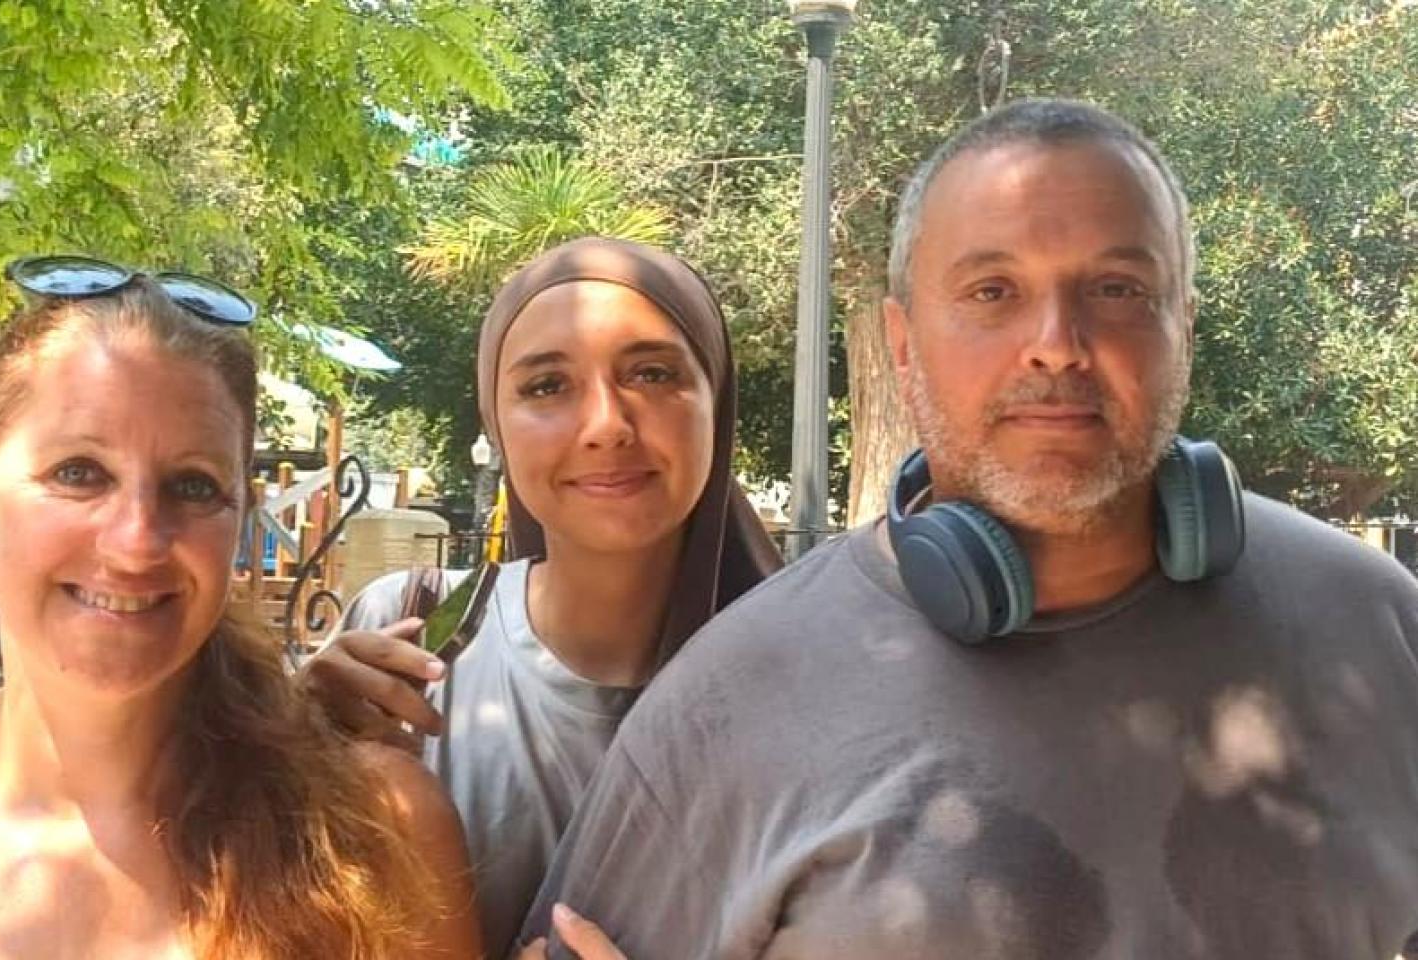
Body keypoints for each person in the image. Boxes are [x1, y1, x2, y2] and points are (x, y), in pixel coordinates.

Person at [523, 99, 1418, 959]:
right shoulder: (730, 699)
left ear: (1182, 324)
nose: (1057, 343)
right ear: (902, 344)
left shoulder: (1377, 625)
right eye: (993, 291)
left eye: (1117, 288)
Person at [0, 260, 479, 960]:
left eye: (193, 486)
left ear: (240, 519)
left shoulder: (372, 839)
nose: (137, 540)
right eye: (79, 473)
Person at [303, 237, 781, 954]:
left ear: (717, 400)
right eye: (547, 386)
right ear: (495, 425)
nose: (606, 425)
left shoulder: (803, 689)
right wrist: (291, 741)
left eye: (652, 374)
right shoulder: (408, 635)